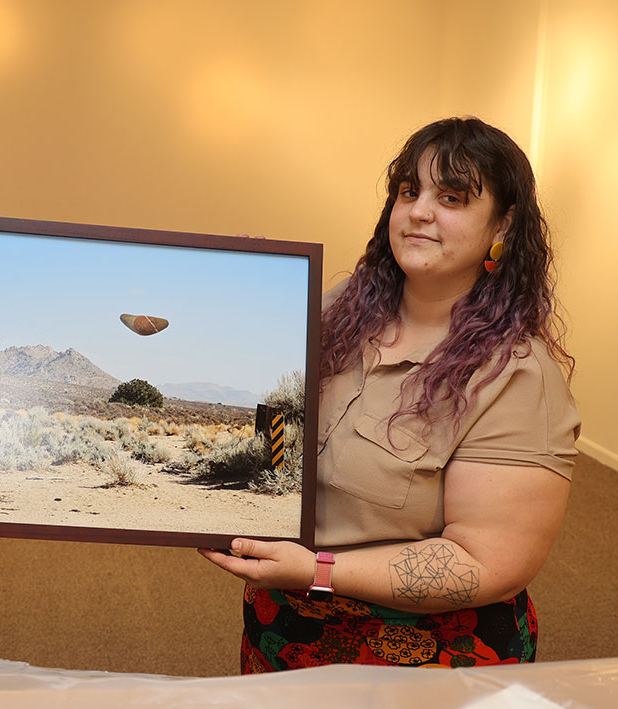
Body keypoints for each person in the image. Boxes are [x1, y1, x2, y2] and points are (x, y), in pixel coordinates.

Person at [200, 117, 580, 670]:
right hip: (282, 626)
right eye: (409, 191)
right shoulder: (342, 308)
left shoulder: (516, 376)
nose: (420, 211)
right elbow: (277, 433)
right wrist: (249, 315)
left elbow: (488, 562)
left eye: (451, 197)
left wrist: (317, 571)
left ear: (505, 222)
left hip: (421, 660)